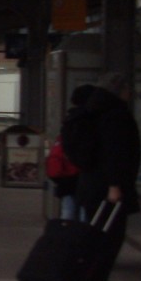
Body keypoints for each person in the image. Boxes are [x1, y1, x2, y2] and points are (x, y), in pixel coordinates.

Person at [74, 71, 141, 281]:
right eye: (126, 88)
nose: (129, 93)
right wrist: (115, 185)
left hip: (89, 182)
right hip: (107, 186)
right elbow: (115, 153)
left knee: (96, 233)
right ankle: (97, 280)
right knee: (110, 236)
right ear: (119, 89)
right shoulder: (115, 114)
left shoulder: (92, 109)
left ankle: (87, 275)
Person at [52, 83, 94, 221]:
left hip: (66, 175)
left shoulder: (70, 119)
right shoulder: (90, 119)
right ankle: (81, 238)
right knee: (84, 211)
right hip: (83, 173)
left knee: (68, 211)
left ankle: (65, 238)